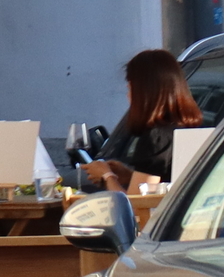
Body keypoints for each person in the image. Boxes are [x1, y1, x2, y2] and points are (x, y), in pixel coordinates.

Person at [83, 49, 205, 191]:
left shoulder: (156, 137)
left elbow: (136, 206)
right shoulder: (190, 131)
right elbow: (166, 183)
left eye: (130, 88)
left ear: (143, 93)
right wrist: (131, 176)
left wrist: (107, 176)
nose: (128, 96)